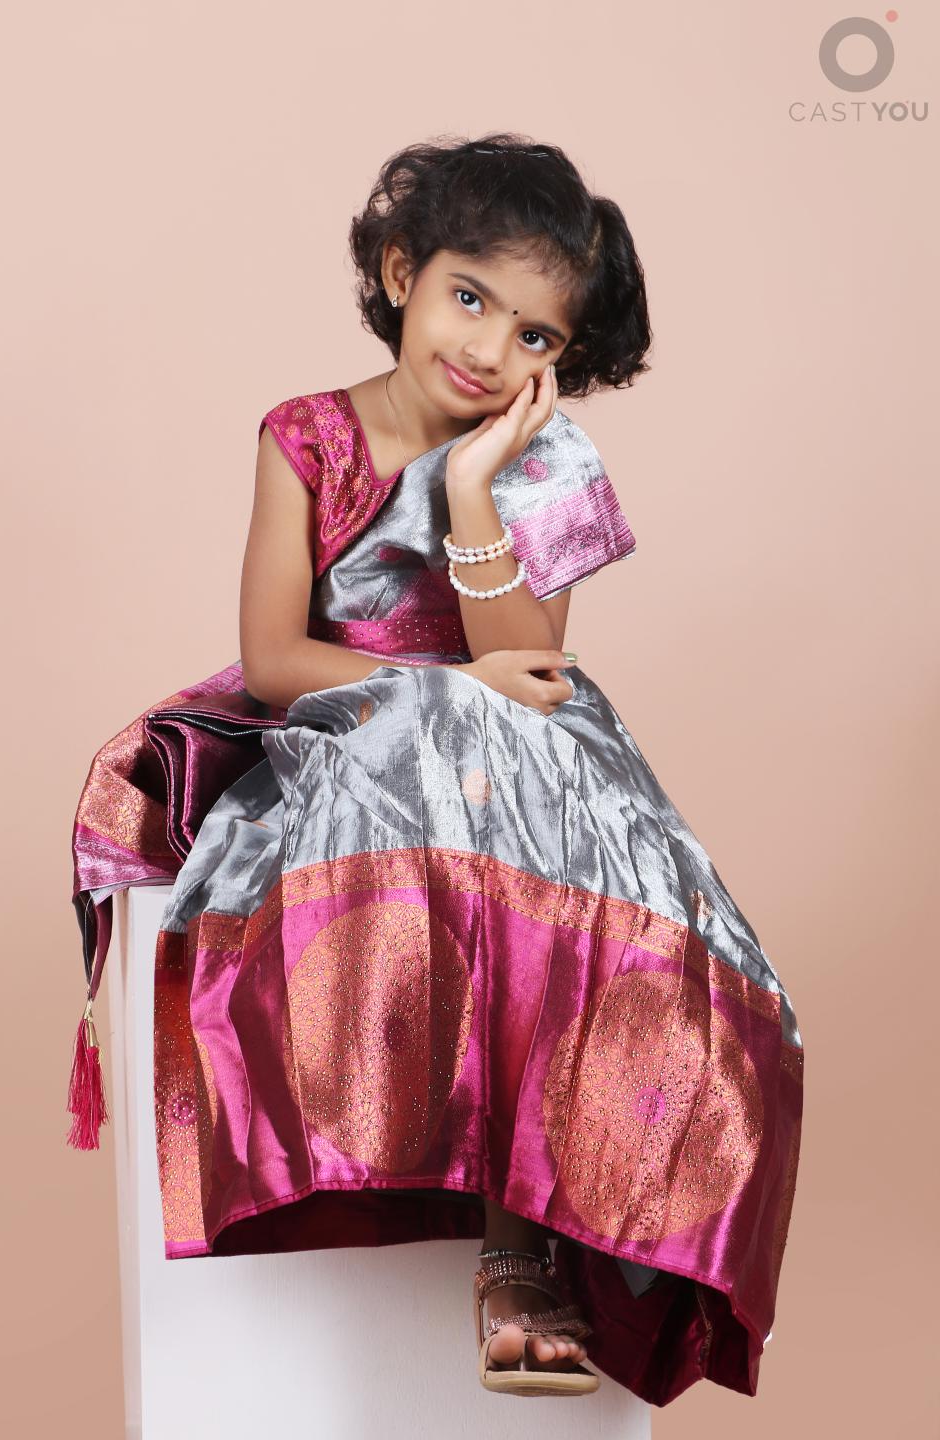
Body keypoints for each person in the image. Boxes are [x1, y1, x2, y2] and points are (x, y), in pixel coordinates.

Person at [68, 132, 803, 1407]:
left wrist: (471, 489)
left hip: (512, 749)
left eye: (535, 335)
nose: (488, 348)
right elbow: (274, 659)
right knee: (458, 745)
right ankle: (494, 1244)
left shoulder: (546, 462)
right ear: (403, 273)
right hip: (345, 728)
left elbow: (531, 664)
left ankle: (540, 1234)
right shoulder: (306, 434)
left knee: (542, 809)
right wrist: (444, 691)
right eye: (469, 297)